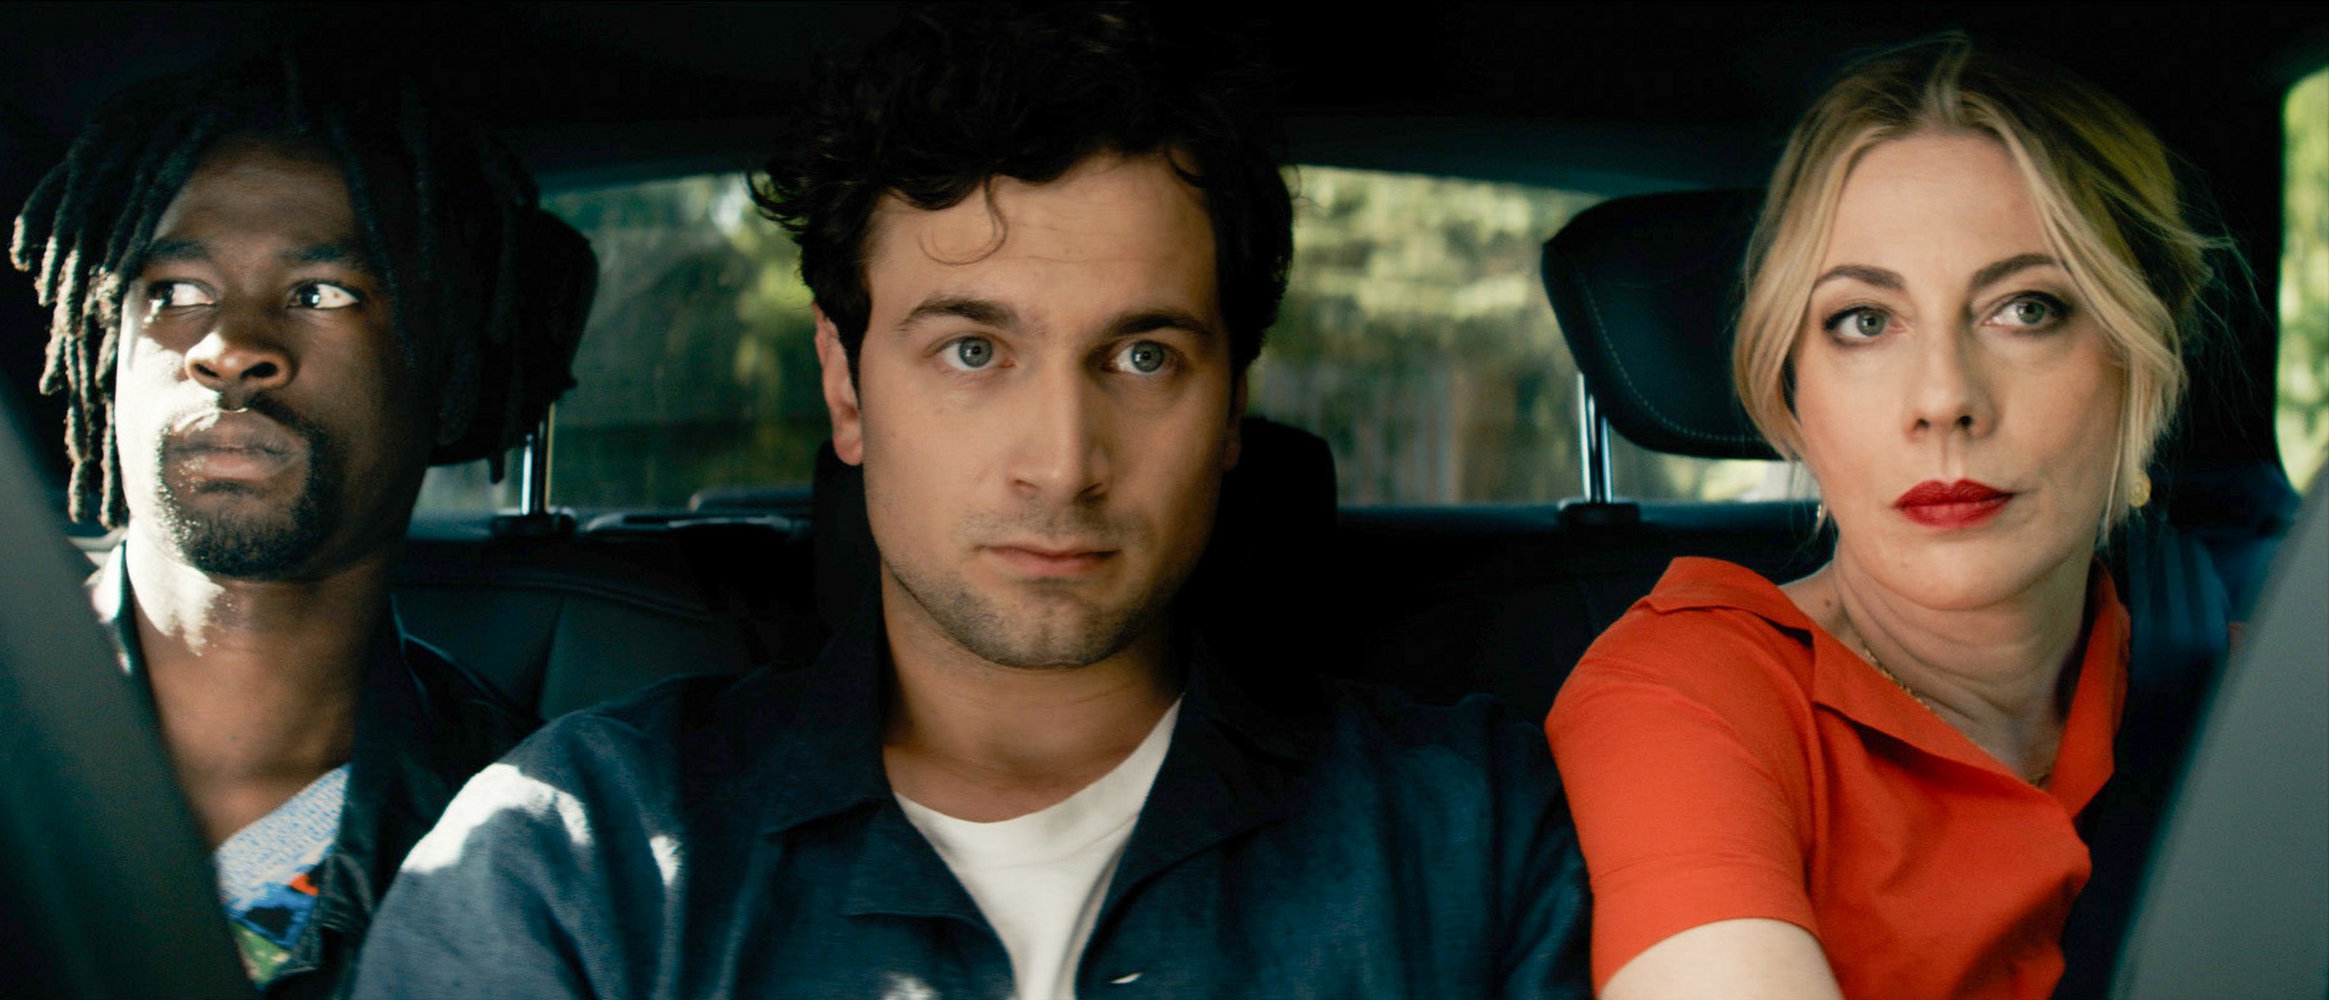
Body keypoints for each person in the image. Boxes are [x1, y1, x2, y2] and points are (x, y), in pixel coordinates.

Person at [351, 6, 1590, 998]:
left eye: (1143, 355)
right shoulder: (582, 857)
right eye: (973, 351)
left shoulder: (1470, 836)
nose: (1062, 462)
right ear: (846, 388)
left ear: (1232, 406)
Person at [1544, 34, 2220, 1000]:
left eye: (2026, 309)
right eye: (1863, 321)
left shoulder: (2249, 694)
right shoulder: (1689, 695)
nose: (1942, 399)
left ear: (2141, 358)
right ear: (1792, 385)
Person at [9, 51, 593, 998]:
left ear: (444, 366)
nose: (228, 348)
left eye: (322, 294)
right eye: (175, 292)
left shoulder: (547, 835)